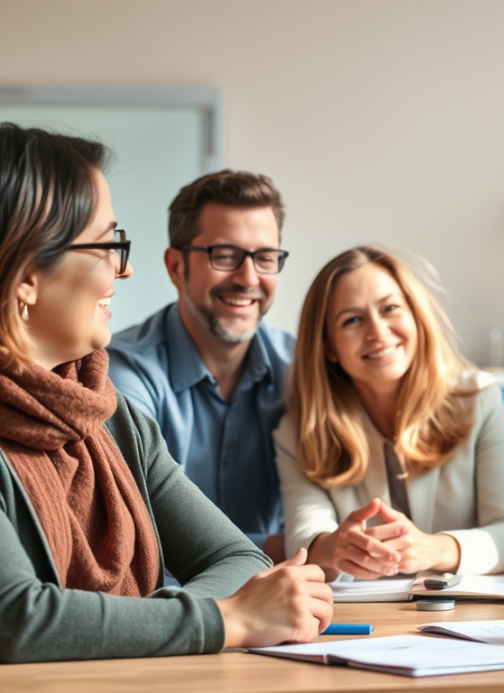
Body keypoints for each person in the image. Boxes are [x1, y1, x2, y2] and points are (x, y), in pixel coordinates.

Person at [0, 123, 332, 663]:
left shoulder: (110, 414)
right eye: (107, 243)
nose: (123, 267)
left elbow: (234, 555)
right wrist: (230, 617)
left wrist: (152, 624)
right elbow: (17, 619)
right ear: (28, 275)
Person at [274, 246, 504, 579]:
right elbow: (304, 539)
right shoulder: (298, 432)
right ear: (328, 347)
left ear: (416, 316)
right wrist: (334, 548)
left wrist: (434, 549)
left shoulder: (478, 398)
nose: (378, 332)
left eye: (390, 308)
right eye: (352, 319)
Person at [107, 170, 293, 562]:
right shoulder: (123, 375)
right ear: (176, 267)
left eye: (264, 258)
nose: (248, 278)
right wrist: (281, 549)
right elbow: (137, 537)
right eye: (224, 255)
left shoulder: (299, 369)